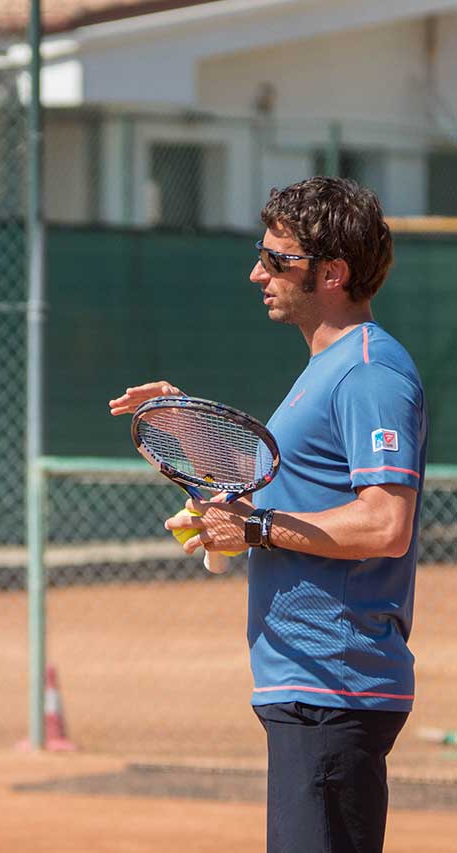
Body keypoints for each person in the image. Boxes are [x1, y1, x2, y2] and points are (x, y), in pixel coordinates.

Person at [109, 177, 427, 853]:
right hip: (307, 683)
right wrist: (181, 420)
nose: (257, 272)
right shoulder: (324, 367)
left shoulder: (370, 372)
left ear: (332, 273)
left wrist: (251, 530)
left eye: (276, 260)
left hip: (335, 683)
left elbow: (384, 524)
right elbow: (267, 495)